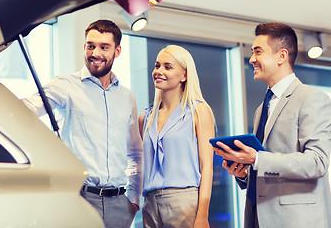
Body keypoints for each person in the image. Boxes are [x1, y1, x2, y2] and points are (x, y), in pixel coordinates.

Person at [23, 19, 143, 228]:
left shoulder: (126, 97)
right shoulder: (65, 86)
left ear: (118, 51)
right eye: (90, 46)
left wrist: (133, 199)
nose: (95, 53)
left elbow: (135, 153)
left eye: (104, 47)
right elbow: (26, 108)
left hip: (119, 205)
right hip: (79, 199)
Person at [214, 22, 331, 228]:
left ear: (282, 56)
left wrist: (257, 158)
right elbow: (267, 169)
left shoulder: (312, 98)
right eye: (252, 52)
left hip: (296, 221)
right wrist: (243, 173)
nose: (251, 59)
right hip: (258, 218)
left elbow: (317, 162)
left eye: (258, 52)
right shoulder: (262, 108)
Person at [138, 45, 215, 228]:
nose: (159, 71)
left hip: (184, 201)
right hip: (150, 203)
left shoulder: (198, 111)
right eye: (157, 66)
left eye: (167, 66)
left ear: (184, 75)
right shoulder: (145, 118)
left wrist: (202, 216)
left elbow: (207, 168)